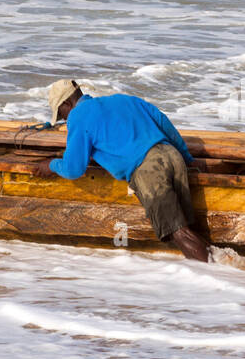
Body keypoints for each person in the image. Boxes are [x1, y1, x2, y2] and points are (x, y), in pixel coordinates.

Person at [37, 79, 210, 262]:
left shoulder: (77, 116)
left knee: (178, 232)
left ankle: (214, 279)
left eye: (61, 113)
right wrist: (187, 158)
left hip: (149, 170)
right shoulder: (123, 100)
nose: (63, 118)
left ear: (66, 103)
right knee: (187, 228)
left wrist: (50, 165)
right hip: (172, 155)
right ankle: (223, 266)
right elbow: (163, 122)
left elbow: (73, 169)